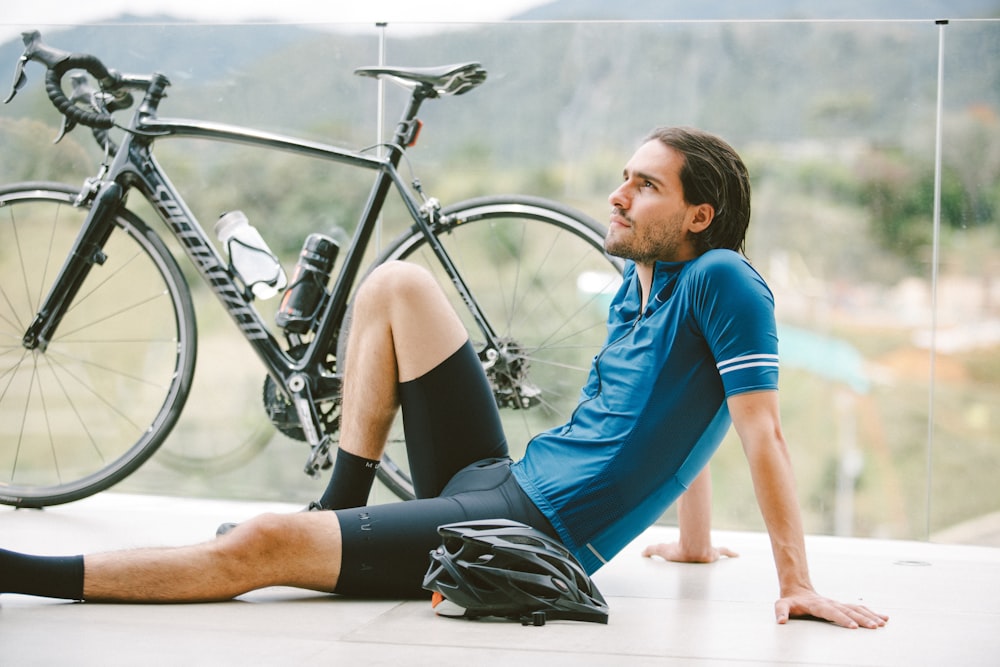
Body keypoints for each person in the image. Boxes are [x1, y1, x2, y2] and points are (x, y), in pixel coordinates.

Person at [0, 126, 887, 630]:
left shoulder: (724, 279)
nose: (618, 195)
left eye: (644, 186)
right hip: (500, 478)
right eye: (622, 177)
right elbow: (680, 414)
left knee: (258, 546)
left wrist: (794, 581)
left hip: (522, 531)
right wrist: (692, 540)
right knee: (396, 284)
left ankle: (19, 572)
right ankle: (339, 502)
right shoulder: (641, 284)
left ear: (700, 214)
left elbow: (755, 425)